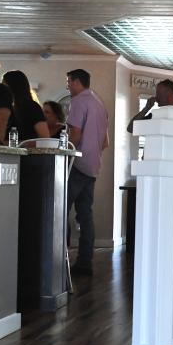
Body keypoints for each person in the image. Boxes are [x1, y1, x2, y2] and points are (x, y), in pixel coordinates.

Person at [65, 69, 109, 276]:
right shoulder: (99, 103)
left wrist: (65, 154)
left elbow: (75, 134)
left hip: (77, 165)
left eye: (69, 82)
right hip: (93, 166)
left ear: (77, 82)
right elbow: (105, 142)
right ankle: (84, 262)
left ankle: (58, 261)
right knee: (85, 215)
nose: (67, 86)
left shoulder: (79, 101)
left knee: (59, 212)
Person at [1, 70, 48, 144]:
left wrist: (16, 144)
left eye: (4, 86)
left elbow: (45, 139)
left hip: (28, 153)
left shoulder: (32, 107)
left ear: (14, 87)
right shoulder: (8, 108)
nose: (2, 90)